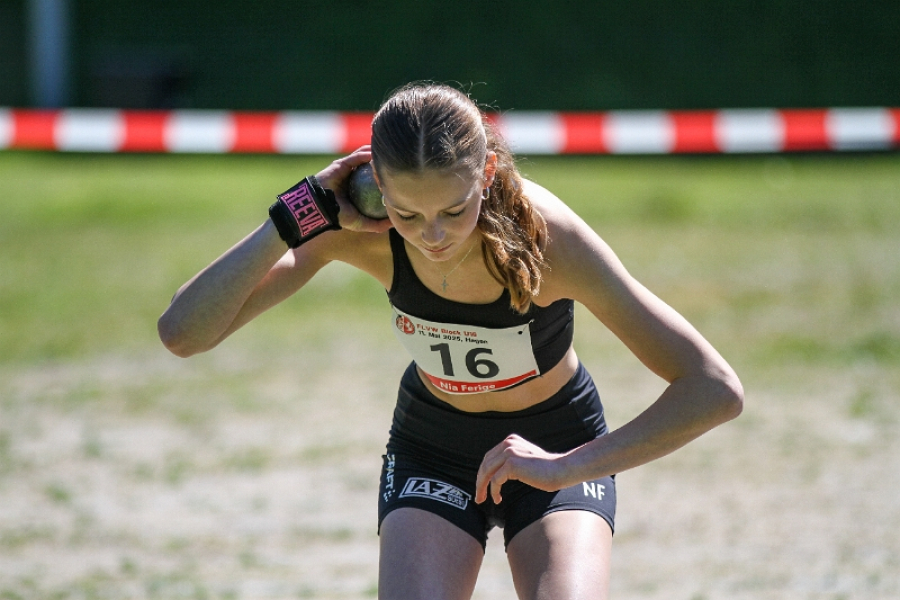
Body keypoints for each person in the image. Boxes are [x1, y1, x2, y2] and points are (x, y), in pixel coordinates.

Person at [158, 82, 743, 600]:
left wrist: (567, 466)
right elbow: (184, 333)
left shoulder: (548, 239)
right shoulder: (361, 233)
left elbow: (714, 389)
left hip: (552, 441)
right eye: (407, 213)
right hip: (432, 446)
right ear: (375, 187)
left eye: (454, 209)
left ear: (486, 173)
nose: (431, 235)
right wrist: (291, 219)